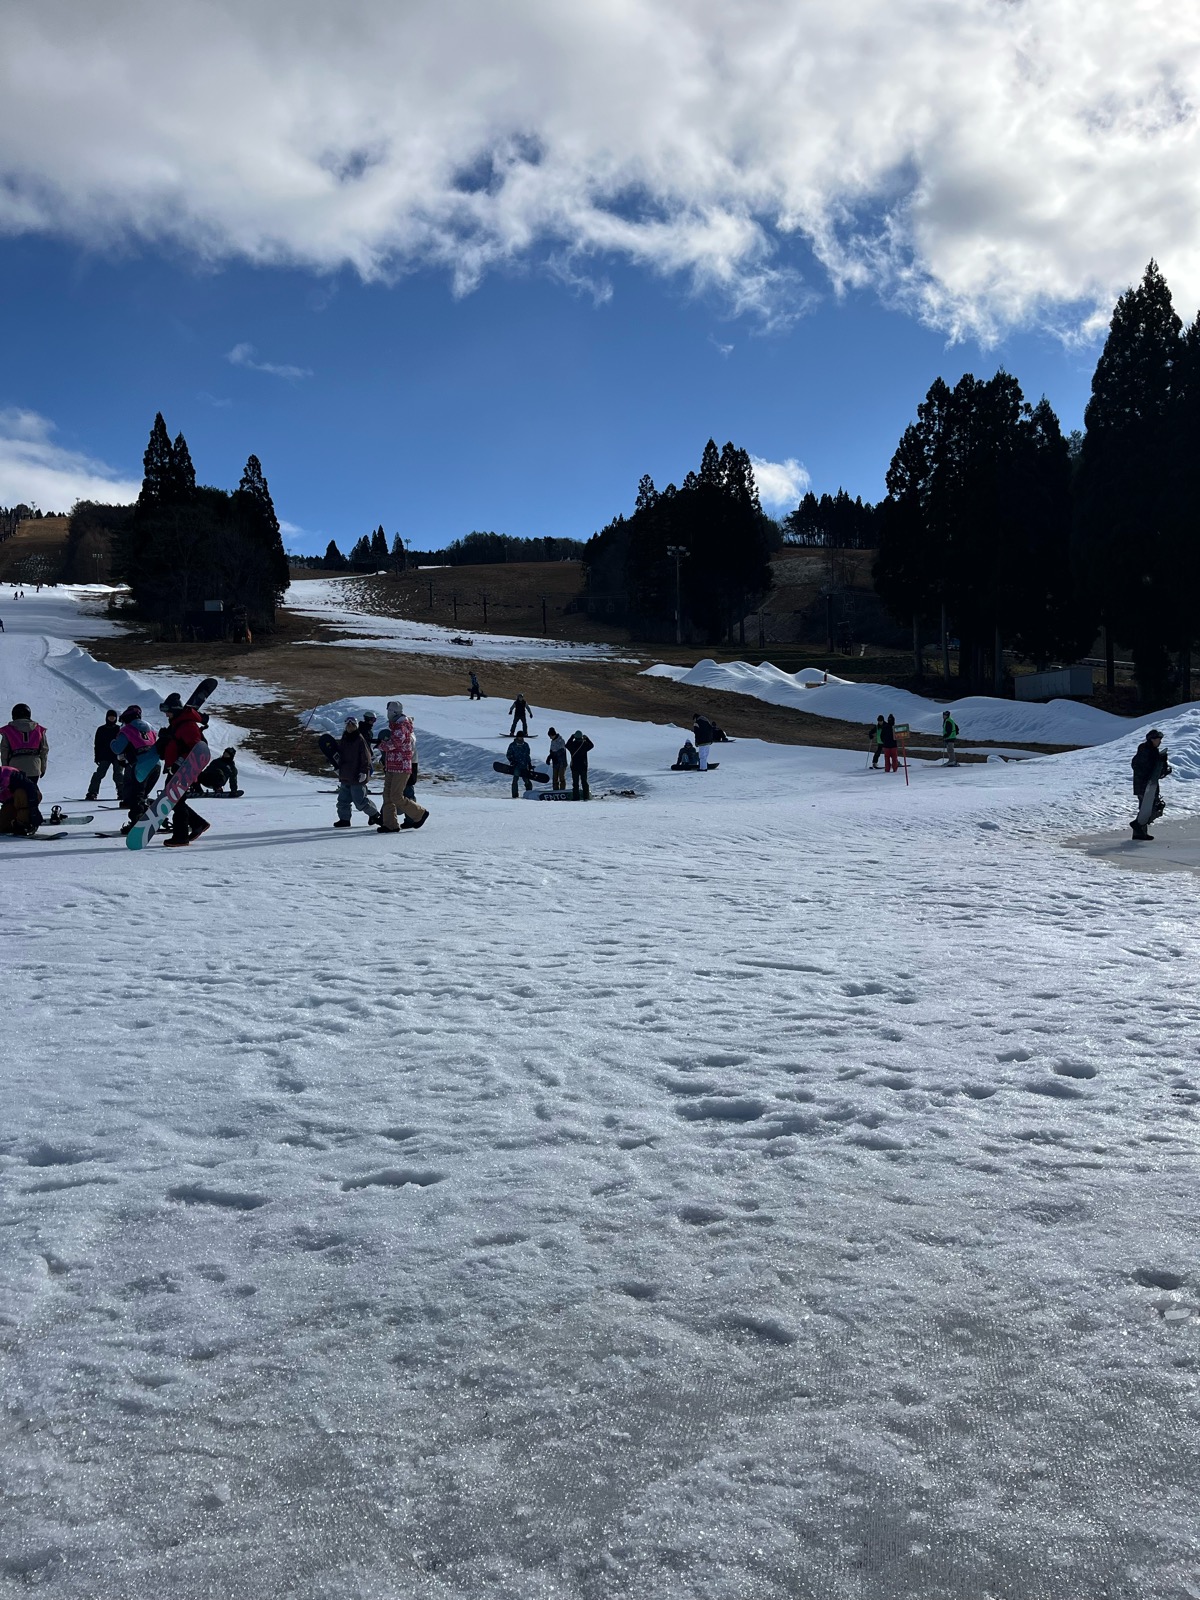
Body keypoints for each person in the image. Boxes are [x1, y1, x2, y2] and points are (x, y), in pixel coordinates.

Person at [158, 692, 211, 846]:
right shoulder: (178, 724)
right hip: (176, 769)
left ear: (174, 710)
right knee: (174, 800)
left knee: (175, 800)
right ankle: (197, 823)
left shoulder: (187, 725)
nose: (166, 714)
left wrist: (179, 762)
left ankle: (181, 836)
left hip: (184, 770)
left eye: (168, 711)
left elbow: (196, 748)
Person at [375, 700, 429, 832]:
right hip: (392, 765)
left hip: (401, 767)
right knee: (387, 795)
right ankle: (390, 824)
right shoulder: (395, 726)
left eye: (388, 710)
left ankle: (419, 813)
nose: (387, 713)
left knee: (396, 796)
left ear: (394, 712)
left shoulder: (401, 726)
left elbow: (394, 744)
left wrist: (381, 745)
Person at [111, 705, 161, 832]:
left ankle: (137, 823)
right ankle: (150, 818)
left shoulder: (127, 730)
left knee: (136, 796)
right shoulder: (150, 728)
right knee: (142, 795)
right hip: (156, 765)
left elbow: (117, 748)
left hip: (141, 765)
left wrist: (112, 742)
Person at [332, 716, 381, 828]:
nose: (350, 727)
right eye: (348, 725)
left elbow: (366, 757)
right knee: (342, 800)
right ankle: (344, 819)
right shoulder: (344, 738)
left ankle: (375, 814)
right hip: (345, 774)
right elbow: (340, 755)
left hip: (357, 776)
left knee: (360, 801)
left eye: (352, 725)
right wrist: (337, 767)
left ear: (356, 726)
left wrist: (364, 772)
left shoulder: (360, 739)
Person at [1131, 728, 1170, 842]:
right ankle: (1137, 826)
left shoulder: (1152, 751)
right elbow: (1141, 767)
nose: (1160, 741)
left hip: (1150, 785)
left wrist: (1163, 766)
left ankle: (1139, 833)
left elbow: (1155, 771)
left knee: (1147, 808)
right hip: (1144, 785)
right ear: (1152, 739)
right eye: (1158, 739)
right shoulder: (1145, 750)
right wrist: (1159, 762)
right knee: (1148, 808)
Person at [0, 703, 49, 780]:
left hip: (15, 768)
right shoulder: (39, 730)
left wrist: (6, 771)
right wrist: (43, 768)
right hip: (34, 768)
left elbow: (4, 752)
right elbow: (44, 751)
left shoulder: (8, 731)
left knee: (17, 791)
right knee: (32, 790)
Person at [85, 709, 122, 801]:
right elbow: (97, 744)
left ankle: (122, 793)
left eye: (113, 717)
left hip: (117, 756)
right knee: (99, 774)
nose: (111, 719)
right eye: (110, 717)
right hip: (104, 756)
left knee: (118, 775)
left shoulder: (119, 729)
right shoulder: (101, 729)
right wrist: (97, 756)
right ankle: (92, 792)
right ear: (106, 718)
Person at [0, 764, 43, 834]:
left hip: (31, 797)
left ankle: (24, 823)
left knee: (20, 793)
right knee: (2, 825)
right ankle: (13, 825)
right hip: (11, 802)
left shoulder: (9, 774)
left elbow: (30, 788)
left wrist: (34, 812)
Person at [567, 728, 594, 799]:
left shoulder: (572, 745)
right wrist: (587, 738)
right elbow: (591, 745)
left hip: (575, 766)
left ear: (575, 737)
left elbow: (567, 745)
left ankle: (576, 797)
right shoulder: (584, 744)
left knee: (575, 783)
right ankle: (586, 797)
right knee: (584, 782)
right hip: (583, 766)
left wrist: (571, 737)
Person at [507, 730, 535, 798]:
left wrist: (529, 764)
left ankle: (529, 793)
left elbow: (527, 755)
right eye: (519, 737)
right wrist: (512, 760)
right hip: (516, 766)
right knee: (515, 780)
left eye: (521, 737)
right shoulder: (512, 745)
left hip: (524, 765)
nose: (520, 738)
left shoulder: (525, 745)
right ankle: (515, 795)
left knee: (527, 780)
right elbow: (508, 754)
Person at [546, 727, 568, 791]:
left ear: (553, 734)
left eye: (550, 736)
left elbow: (561, 751)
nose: (550, 738)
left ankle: (562, 790)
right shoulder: (552, 742)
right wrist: (549, 757)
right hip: (555, 763)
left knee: (561, 777)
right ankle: (555, 790)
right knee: (555, 778)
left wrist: (554, 755)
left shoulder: (561, 741)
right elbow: (552, 752)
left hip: (562, 762)